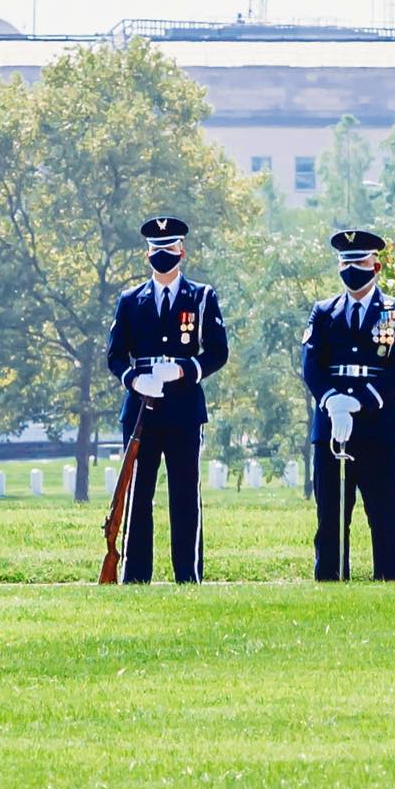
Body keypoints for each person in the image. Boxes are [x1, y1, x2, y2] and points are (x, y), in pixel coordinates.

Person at [106, 216, 229, 584]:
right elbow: (115, 355)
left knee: (184, 494)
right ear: (147, 254)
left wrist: (184, 371)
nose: (163, 255)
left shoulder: (201, 297)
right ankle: (135, 574)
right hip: (141, 409)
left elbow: (218, 352)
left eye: (169, 249)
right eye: (156, 250)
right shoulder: (130, 300)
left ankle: (187, 574)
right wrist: (134, 380)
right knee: (138, 494)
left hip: (183, 408)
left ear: (182, 251)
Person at [301, 230, 395, 581]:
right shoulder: (323, 312)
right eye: (346, 262)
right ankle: (331, 580)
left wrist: (360, 402)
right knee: (331, 514)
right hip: (332, 425)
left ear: (376, 265)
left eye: (360, 262)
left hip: (378, 425)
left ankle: (390, 580)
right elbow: (311, 364)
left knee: (384, 513)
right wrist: (332, 400)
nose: (352, 269)